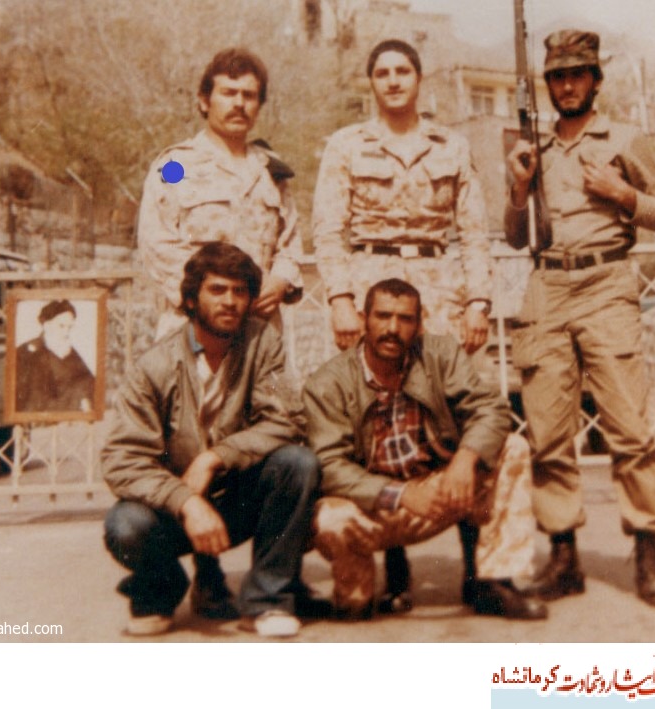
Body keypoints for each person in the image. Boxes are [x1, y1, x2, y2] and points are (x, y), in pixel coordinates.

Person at [311, 39, 495, 610]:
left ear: (419, 79)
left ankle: (478, 569)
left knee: (454, 414)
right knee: (378, 415)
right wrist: (341, 298)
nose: (393, 81)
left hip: (439, 285)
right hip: (371, 280)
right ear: (371, 82)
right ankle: (395, 564)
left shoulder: (451, 145)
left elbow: (474, 230)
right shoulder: (346, 145)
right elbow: (328, 230)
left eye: (403, 71)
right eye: (382, 72)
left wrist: (478, 301)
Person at [505, 30, 655, 608]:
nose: (567, 85)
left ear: (596, 79)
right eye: (557, 76)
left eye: (577, 74)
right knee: (548, 432)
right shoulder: (532, 147)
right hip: (548, 287)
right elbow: (515, 237)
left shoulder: (622, 139)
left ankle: (648, 555)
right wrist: (519, 187)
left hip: (607, 283)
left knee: (629, 427)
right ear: (547, 85)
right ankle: (564, 557)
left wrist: (622, 194)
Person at [102, 243, 323, 637]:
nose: (230, 301)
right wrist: (185, 501)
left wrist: (215, 457)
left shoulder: (264, 344)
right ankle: (159, 590)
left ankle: (266, 600)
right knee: (125, 524)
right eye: (217, 290)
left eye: (240, 291)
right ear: (191, 299)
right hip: (177, 506)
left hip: (237, 495)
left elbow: (287, 419)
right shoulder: (154, 366)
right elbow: (123, 460)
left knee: (297, 464)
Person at [303, 278, 546, 621]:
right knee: (329, 522)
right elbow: (329, 465)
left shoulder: (441, 354)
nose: (392, 329)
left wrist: (466, 458)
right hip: (375, 504)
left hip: (439, 490)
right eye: (383, 316)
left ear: (419, 324)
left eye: (405, 319)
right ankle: (359, 593)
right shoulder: (327, 382)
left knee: (511, 448)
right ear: (362, 319)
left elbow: (491, 408)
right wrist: (399, 495)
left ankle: (495, 581)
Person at [138, 47, 303, 337]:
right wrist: (209, 296)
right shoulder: (176, 165)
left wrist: (280, 281)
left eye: (249, 95)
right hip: (194, 328)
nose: (239, 103)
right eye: (228, 93)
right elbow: (156, 241)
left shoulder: (270, 170)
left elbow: (289, 243)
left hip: (258, 331)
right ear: (204, 101)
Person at [15, 299, 95, 413]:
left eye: (69, 327)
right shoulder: (27, 352)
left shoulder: (69, 351)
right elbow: (31, 401)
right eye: (61, 326)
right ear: (46, 325)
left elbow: (89, 382)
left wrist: (85, 398)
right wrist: (78, 400)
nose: (66, 333)